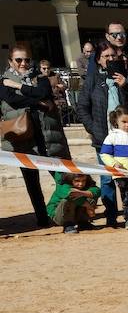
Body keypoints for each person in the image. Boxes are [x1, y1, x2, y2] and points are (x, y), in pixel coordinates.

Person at [2, 44, 71, 228]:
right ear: (10, 61)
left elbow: (43, 92)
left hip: (47, 137)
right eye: (18, 60)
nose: (23, 63)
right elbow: (13, 101)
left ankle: (64, 214)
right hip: (23, 140)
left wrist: (18, 86)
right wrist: (38, 100)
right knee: (32, 184)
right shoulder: (2, 82)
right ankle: (42, 218)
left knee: (62, 179)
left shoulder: (40, 77)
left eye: (26, 59)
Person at [77, 41, 128, 226]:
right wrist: (93, 128)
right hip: (103, 138)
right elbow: (82, 107)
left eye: (113, 56)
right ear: (98, 60)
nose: (110, 59)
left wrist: (126, 87)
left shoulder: (127, 77)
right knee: (107, 179)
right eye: (106, 56)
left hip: (127, 139)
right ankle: (112, 215)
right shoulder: (92, 80)